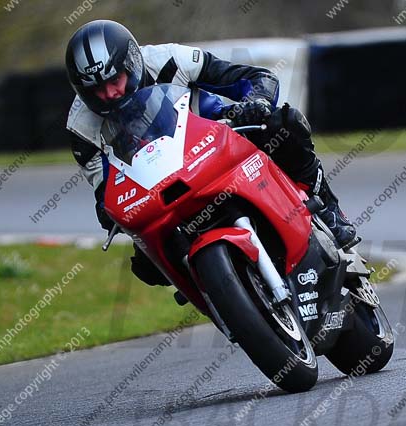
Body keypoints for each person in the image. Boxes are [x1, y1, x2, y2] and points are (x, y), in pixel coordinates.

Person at [65, 20, 356, 289]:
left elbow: (257, 78)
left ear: (132, 63)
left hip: (214, 139)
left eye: (115, 79)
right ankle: (211, 293)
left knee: (283, 124)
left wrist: (256, 103)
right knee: (148, 267)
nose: (110, 93)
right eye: (98, 89)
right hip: (157, 184)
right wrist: (108, 211)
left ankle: (328, 210)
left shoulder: (170, 59)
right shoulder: (80, 127)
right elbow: (106, 189)